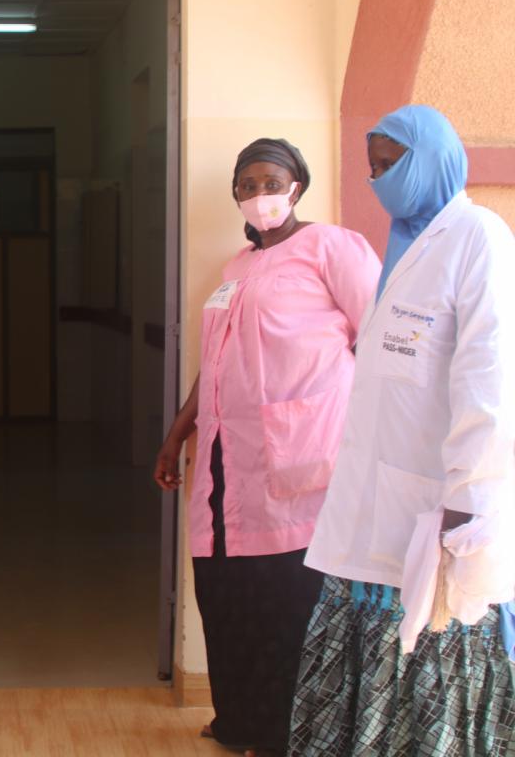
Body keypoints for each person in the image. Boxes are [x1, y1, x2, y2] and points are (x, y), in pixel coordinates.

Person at [288, 106, 515, 755]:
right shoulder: (406, 248)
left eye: (394, 164)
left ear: (436, 159)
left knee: (424, 680)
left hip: (442, 515)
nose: (380, 180)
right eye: (374, 168)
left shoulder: (479, 238)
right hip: (377, 505)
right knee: (360, 675)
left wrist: (466, 502)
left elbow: (490, 384)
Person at [154, 139, 380, 757]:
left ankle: (283, 733)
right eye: (247, 185)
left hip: (300, 453)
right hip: (229, 462)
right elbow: (216, 361)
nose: (260, 196)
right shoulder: (235, 266)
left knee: (287, 602)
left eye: (270, 181)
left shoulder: (333, 247)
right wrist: (177, 433)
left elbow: (382, 338)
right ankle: (238, 719)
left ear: (297, 185)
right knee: (224, 593)